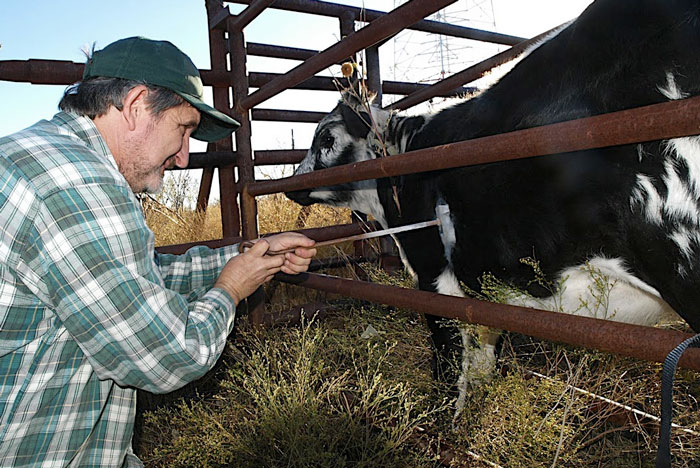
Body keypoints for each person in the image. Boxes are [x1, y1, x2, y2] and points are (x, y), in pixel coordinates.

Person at [0, 37, 316, 467]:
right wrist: (231, 289)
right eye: (183, 129)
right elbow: (170, 353)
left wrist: (249, 255)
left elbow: (131, 279)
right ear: (135, 106)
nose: (184, 157)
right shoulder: (79, 185)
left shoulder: (47, 156)